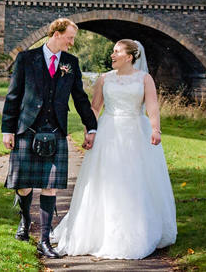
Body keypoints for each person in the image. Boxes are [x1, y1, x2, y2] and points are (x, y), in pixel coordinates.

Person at [51, 39, 177, 259]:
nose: (112, 54)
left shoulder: (144, 79)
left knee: (134, 180)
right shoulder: (104, 79)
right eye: (113, 51)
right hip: (108, 133)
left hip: (135, 134)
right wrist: (90, 131)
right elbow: (95, 107)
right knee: (104, 179)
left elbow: (152, 106)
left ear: (129, 56)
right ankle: (98, 232)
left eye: (117, 51)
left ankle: (136, 232)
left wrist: (155, 129)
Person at [1, 18, 98, 259]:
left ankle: (44, 240)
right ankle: (25, 222)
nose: (72, 42)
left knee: (50, 185)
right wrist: (8, 129)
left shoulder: (71, 63)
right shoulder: (26, 58)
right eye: (70, 37)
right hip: (27, 128)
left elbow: (80, 97)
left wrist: (91, 126)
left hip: (55, 130)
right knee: (23, 186)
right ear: (56, 34)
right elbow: (14, 95)